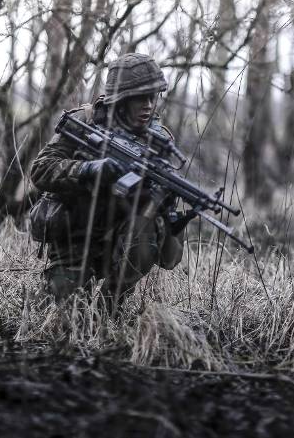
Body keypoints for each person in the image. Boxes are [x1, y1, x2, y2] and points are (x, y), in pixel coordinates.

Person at [30, 53, 184, 312]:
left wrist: (161, 198)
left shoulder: (159, 141)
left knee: (145, 235)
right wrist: (88, 169)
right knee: (66, 310)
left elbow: (161, 221)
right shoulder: (84, 122)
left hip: (121, 236)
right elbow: (41, 170)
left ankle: (109, 306)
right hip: (74, 236)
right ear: (121, 99)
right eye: (139, 98)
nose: (148, 105)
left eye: (152, 97)